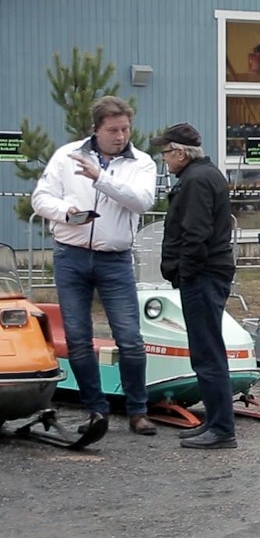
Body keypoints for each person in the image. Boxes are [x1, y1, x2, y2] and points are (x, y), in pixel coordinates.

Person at [31, 96, 158, 436]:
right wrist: (66, 213)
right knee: (77, 337)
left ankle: (137, 410)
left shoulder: (141, 163)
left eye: (125, 129)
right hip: (70, 255)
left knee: (130, 338)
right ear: (96, 130)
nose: (120, 136)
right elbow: (40, 198)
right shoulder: (67, 155)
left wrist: (100, 178)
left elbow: (142, 201)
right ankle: (94, 409)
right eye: (112, 130)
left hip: (114, 258)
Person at [153, 123, 239, 450]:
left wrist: (184, 273)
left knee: (207, 352)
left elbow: (195, 234)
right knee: (206, 349)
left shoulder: (196, 180)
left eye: (165, 153)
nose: (164, 160)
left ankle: (221, 428)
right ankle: (216, 421)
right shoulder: (203, 176)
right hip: (208, 272)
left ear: (179, 152)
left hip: (203, 274)